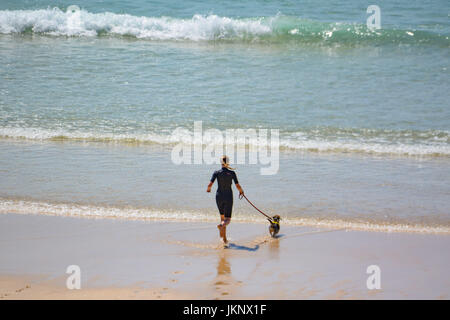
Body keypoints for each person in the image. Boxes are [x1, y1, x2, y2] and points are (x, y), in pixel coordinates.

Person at [207, 155, 244, 244]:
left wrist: (208, 189)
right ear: (228, 162)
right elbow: (237, 185)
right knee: (227, 220)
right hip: (228, 197)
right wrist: (241, 191)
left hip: (219, 196)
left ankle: (224, 239)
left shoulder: (216, 172)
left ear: (221, 163)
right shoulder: (232, 173)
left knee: (222, 218)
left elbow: (209, 185)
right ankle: (221, 226)